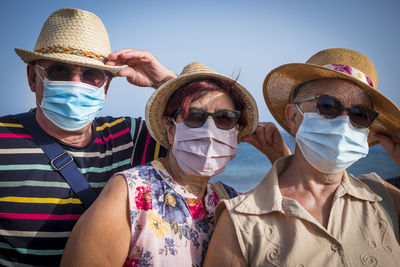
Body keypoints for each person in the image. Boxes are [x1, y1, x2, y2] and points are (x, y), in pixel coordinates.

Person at [0, 8, 177, 266]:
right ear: (32, 78)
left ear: (105, 86)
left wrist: (167, 83)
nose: (76, 82)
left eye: (91, 75)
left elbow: (211, 133)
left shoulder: (131, 136)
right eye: (60, 71)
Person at [204, 48, 400, 266]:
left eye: (360, 115)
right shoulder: (241, 220)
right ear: (293, 117)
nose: (344, 123)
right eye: (328, 106)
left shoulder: (383, 197)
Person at [59, 62, 260, 266]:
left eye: (224, 118)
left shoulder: (231, 201)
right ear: (170, 127)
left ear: (235, 131)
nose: (210, 129)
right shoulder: (129, 194)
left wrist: (279, 157)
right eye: (195, 116)